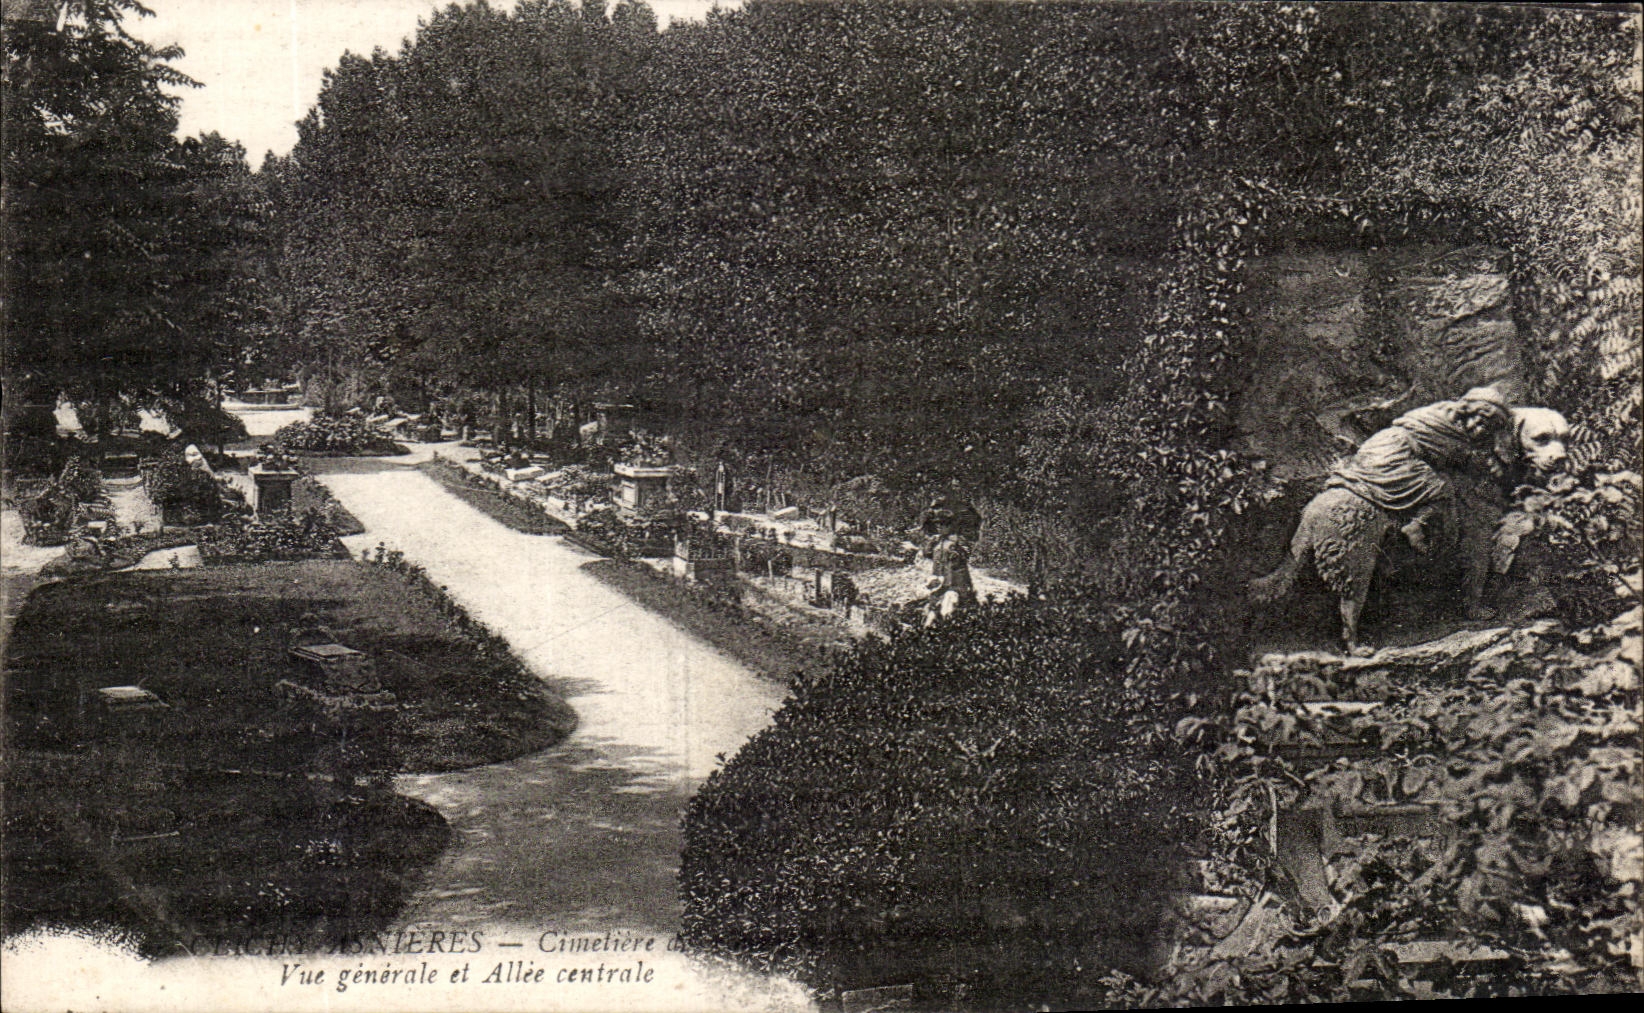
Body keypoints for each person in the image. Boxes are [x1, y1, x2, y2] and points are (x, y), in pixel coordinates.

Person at [1325, 386, 1512, 553]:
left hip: (1378, 447)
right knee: (1441, 489)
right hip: (1396, 453)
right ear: (1468, 411)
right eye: (1479, 422)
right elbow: (1452, 458)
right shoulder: (1448, 426)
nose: (1479, 430)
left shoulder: (1441, 412)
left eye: (1486, 429)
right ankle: (1415, 527)